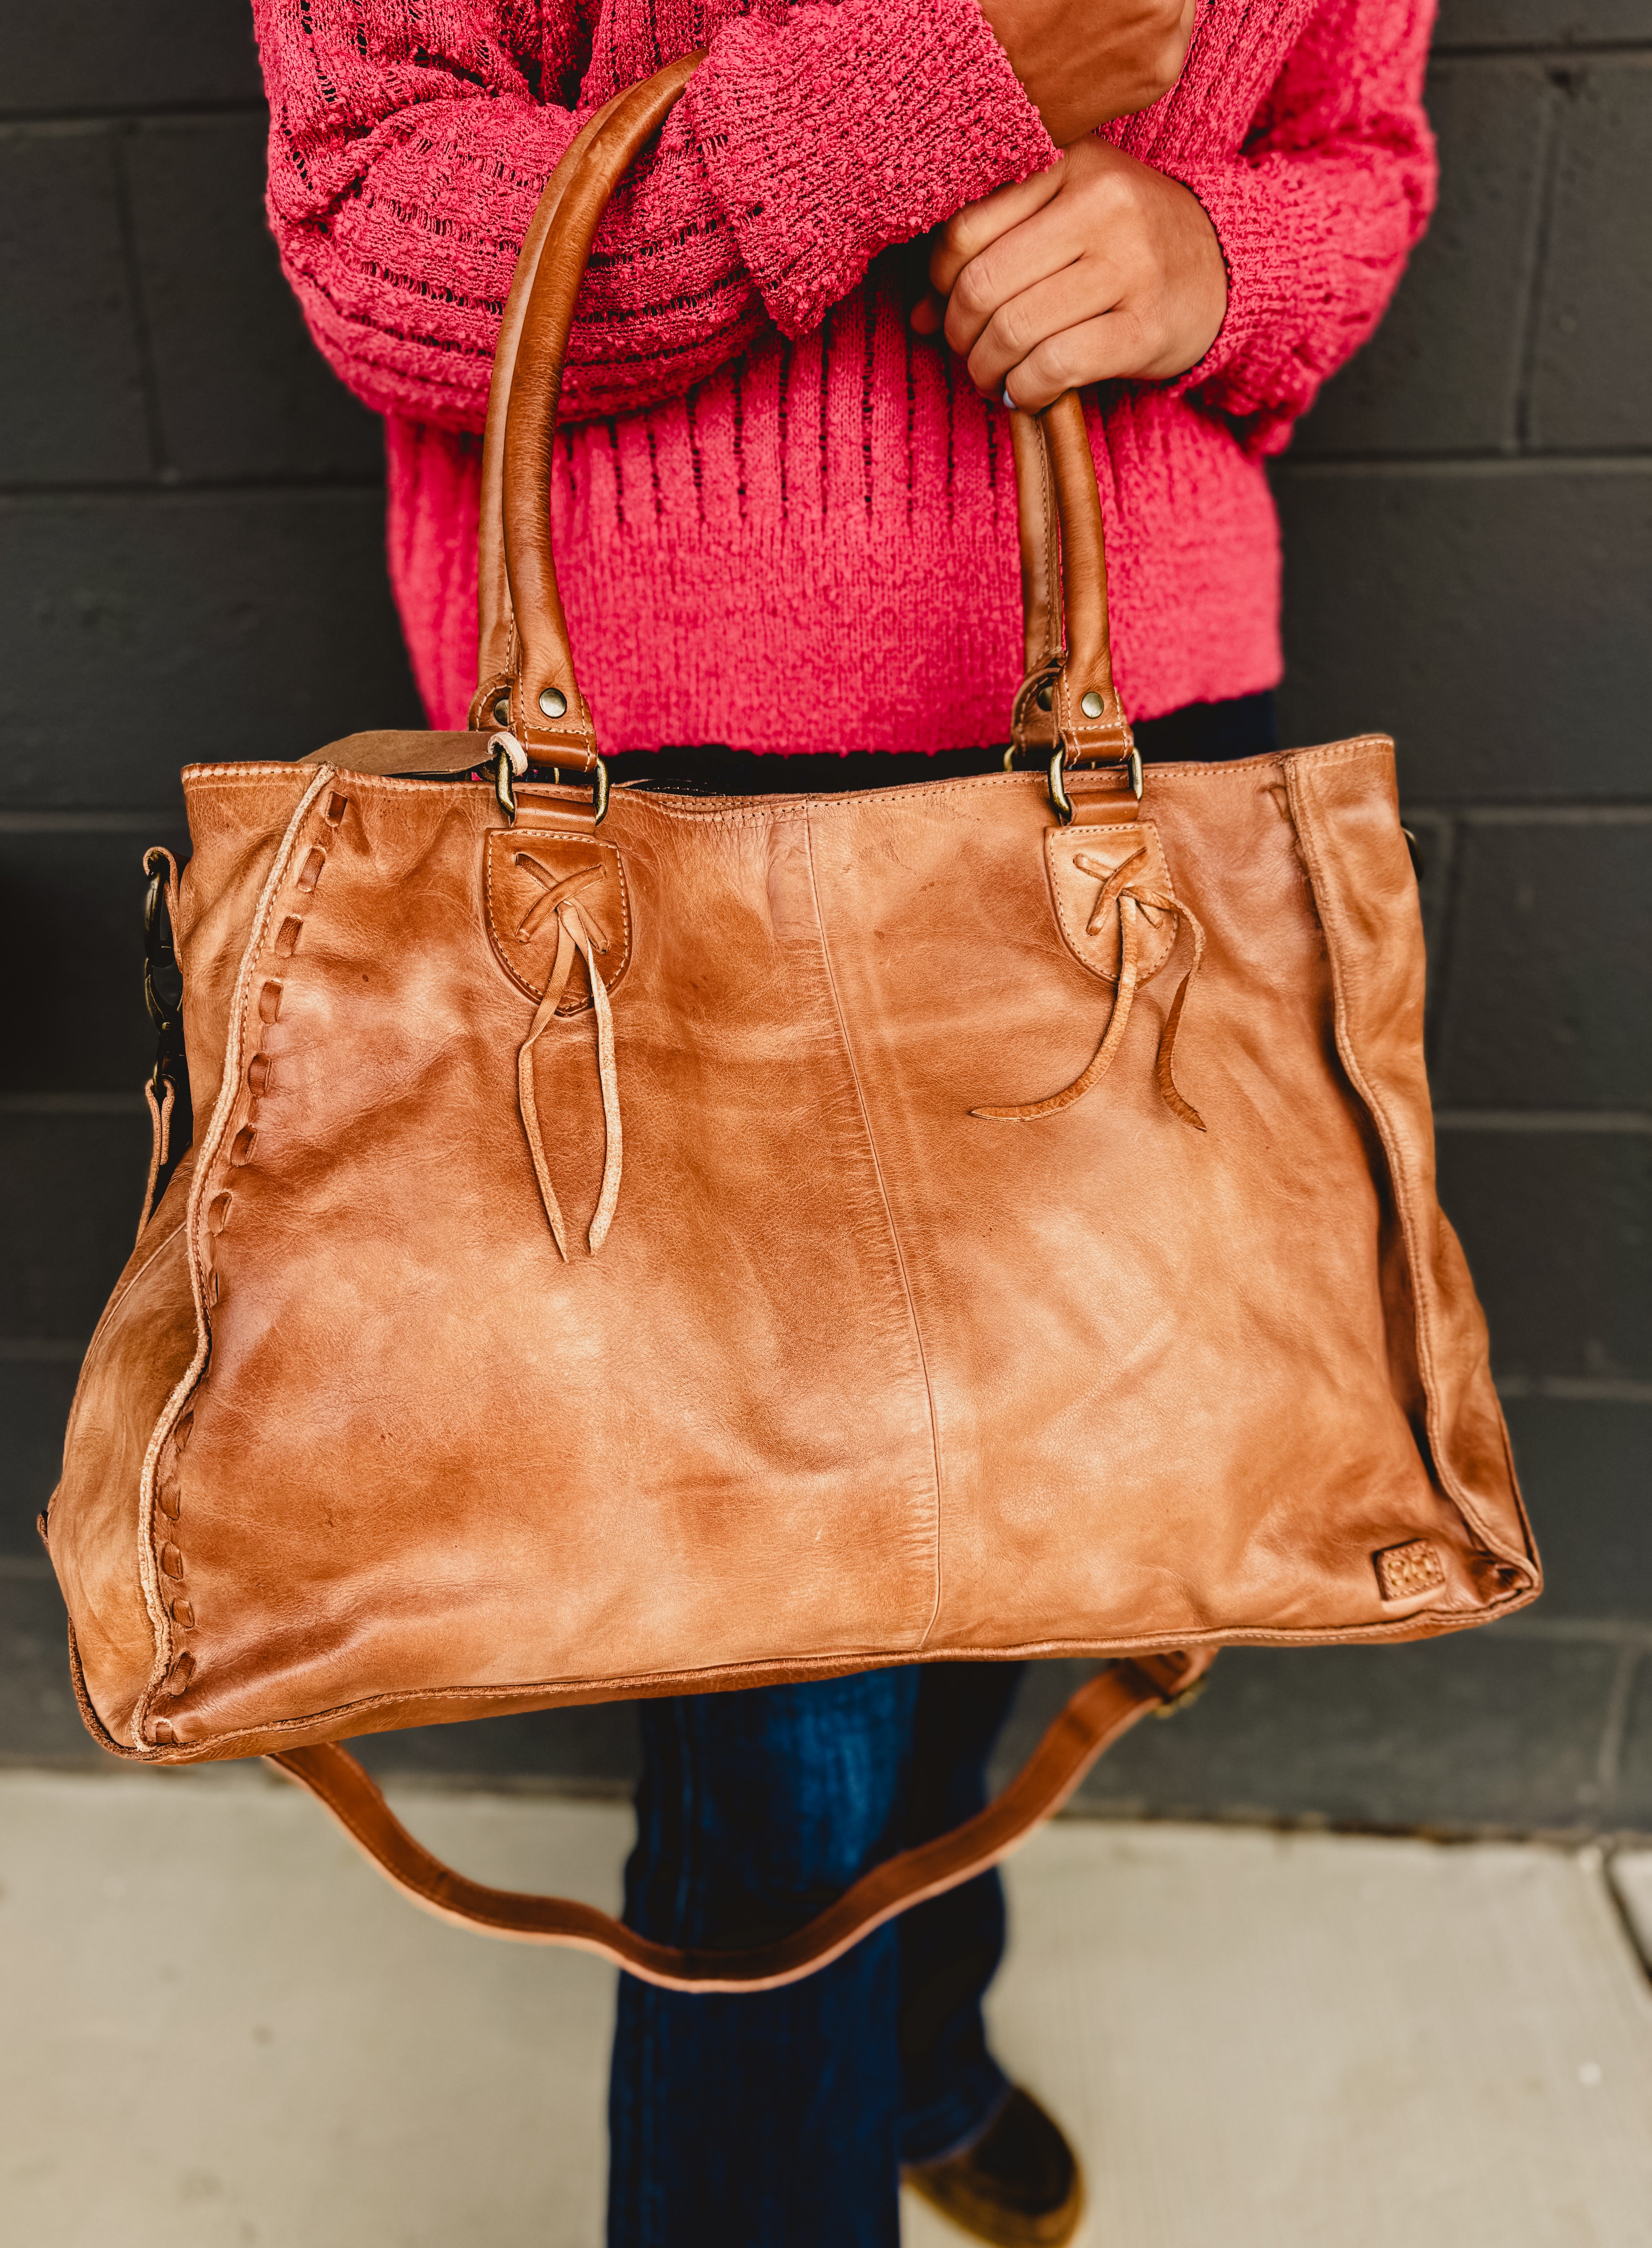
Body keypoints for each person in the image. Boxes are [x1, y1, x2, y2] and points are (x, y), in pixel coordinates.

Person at [253, 0, 1438, 2238]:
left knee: (1056, 1532)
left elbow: (1358, 156)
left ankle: (906, 2037)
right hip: (687, 800)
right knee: (784, 1731)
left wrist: (1214, 259)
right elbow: (375, 238)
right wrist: (930, 81)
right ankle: (812, 2118)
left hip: (1147, 742)